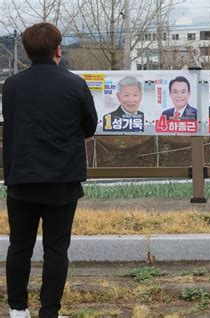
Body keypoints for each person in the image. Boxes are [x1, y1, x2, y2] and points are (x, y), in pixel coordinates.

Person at [2, 23, 97, 318]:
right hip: (62, 179)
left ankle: (18, 310)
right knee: (57, 249)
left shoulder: (12, 86)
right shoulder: (74, 84)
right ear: (58, 49)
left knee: (20, 246)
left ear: (28, 52)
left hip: (22, 178)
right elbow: (89, 126)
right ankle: (49, 311)